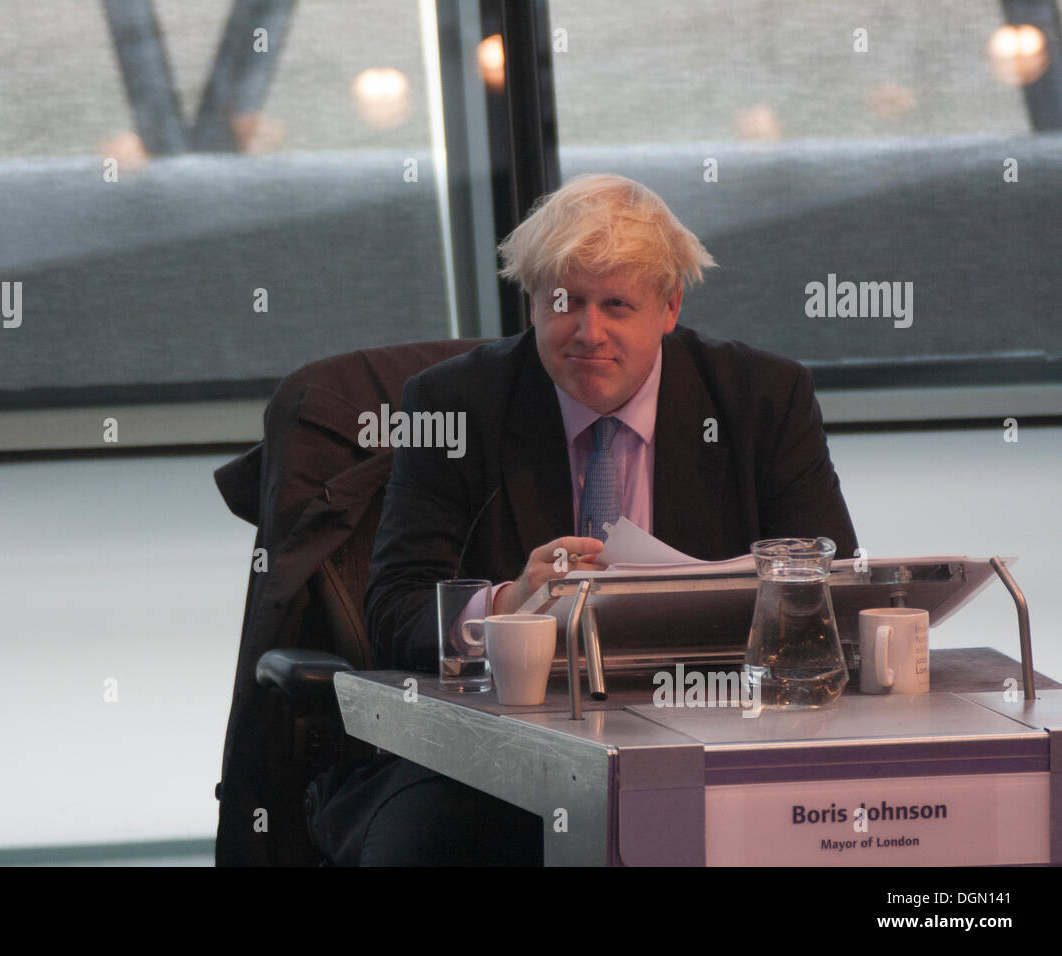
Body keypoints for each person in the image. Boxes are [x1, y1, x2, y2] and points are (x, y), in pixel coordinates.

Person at [311, 173, 858, 866]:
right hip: (492, 748)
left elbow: (825, 588)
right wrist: (511, 603)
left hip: (709, 728)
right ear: (532, 304)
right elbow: (394, 610)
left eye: (617, 305)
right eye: (564, 303)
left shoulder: (763, 398)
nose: (587, 333)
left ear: (669, 307)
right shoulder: (452, 404)